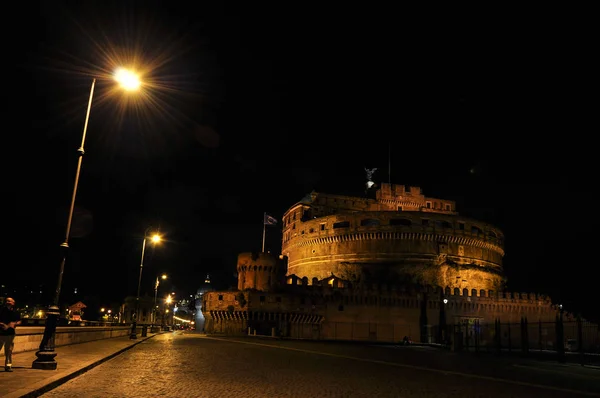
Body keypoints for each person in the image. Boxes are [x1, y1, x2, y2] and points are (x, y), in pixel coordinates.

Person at [0, 297, 21, 372]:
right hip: (1, 333)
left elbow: (19, 321)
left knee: (9, 351)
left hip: (10, 334)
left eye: (9, 301)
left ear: (13, 303)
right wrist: (3, 325)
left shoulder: (16, 312)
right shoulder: (2, 310)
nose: (7, 302)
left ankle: (8, 366)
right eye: (7, 301)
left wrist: (14, 324)